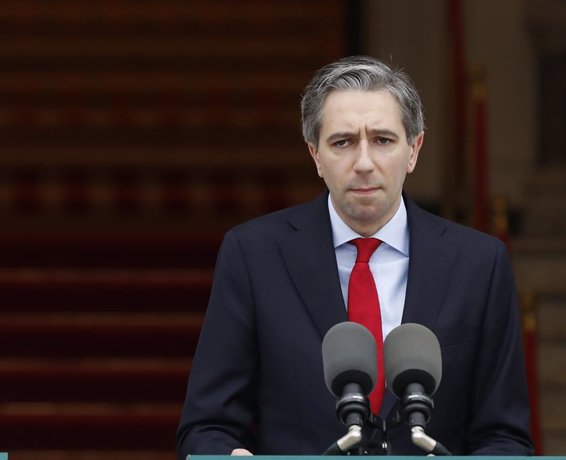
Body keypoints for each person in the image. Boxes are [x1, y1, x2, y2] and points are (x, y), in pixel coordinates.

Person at [176, 55, 533, 457]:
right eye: (343, 142)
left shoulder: (480, 264)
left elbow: (505, 437)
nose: (364, 163)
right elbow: (207, 427)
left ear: (414, 150)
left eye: (383, 140)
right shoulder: (253, 255)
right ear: (315, 155)